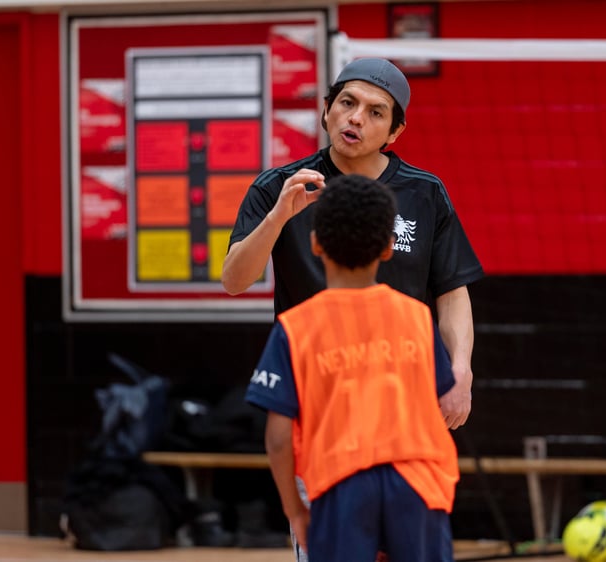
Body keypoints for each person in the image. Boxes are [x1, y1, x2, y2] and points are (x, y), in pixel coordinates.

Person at [223, 57, 483, 431]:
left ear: (395, 132)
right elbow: (234, 281)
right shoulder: (278, 187)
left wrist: (461, 371)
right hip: (315, 397)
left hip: (401, 396)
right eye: (347, 103)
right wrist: (278, 217)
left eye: (375, 112)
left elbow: (452, 291)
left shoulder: (424, 192)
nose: (356, 118)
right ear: (327, 109)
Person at [245, 174, 459, 562]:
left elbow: (278, 437)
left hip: (341, 485)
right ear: (390, 248)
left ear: (315, 244)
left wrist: (296, 510)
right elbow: (438, 400)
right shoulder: (417, 318)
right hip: (419, 483)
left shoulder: (296, 327)